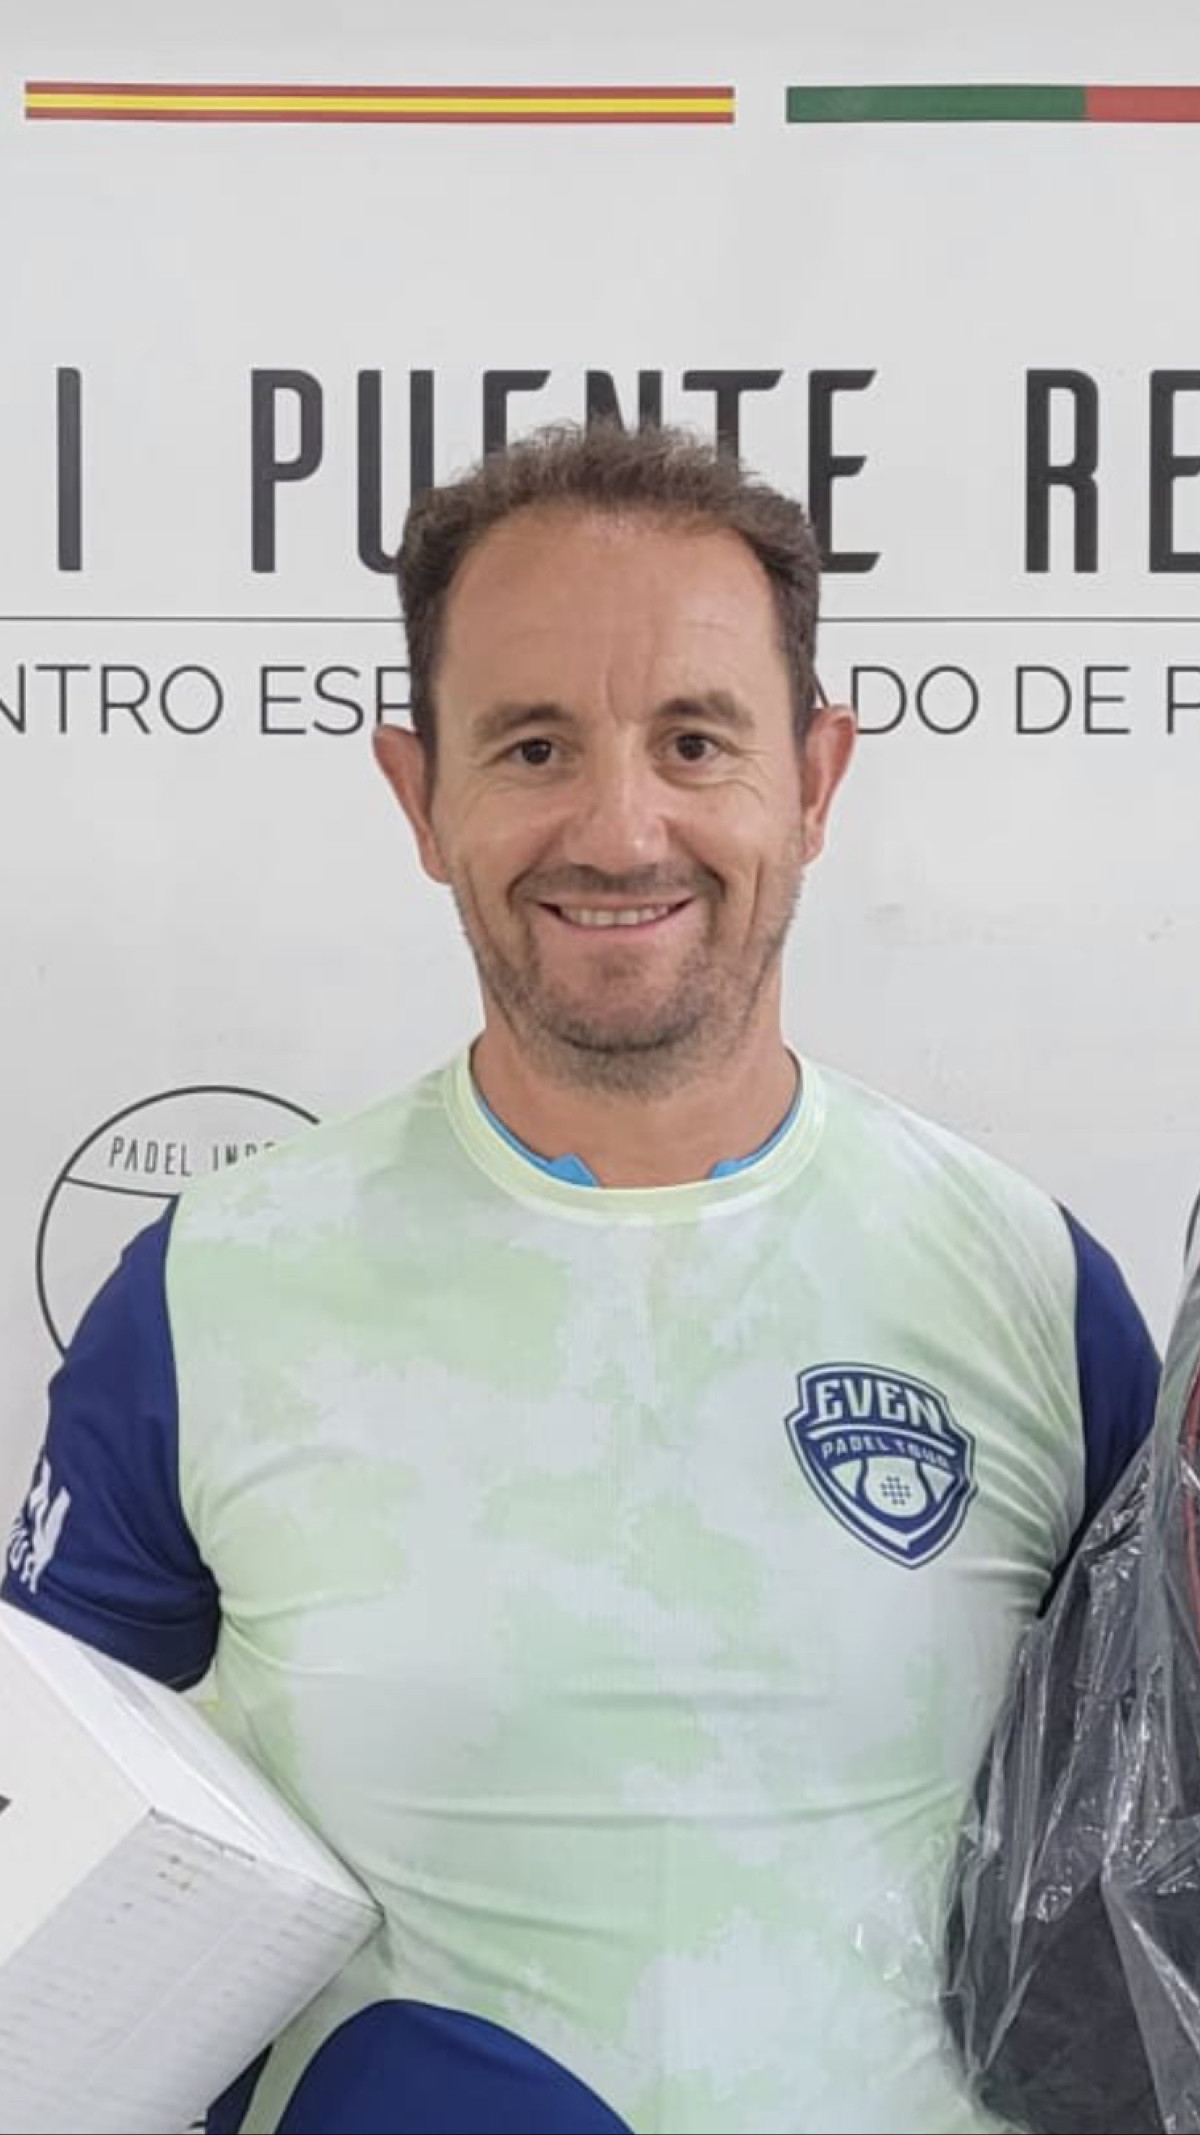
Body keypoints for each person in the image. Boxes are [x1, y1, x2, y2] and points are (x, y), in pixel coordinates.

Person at [2, 422, 1160, 2135]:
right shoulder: (208, 1294)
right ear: (420, 796)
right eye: (534, 745)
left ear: (816, 778)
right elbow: (49, 1884)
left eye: (696, 741)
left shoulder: (1035, 1288)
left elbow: (1147, 1887)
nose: (621, 830)